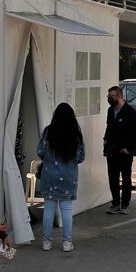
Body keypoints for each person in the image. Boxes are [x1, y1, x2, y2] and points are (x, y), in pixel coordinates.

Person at [38, 102, 85, 252]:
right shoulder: (76, 135)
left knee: (49, 209)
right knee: (66, 210)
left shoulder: (47, 132)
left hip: (49, 175)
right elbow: (81, 156)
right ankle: (66, 243)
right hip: (68, 177)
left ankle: (46, 242)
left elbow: (40, 152)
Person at [103, 86, 136, 215]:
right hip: (111, 150)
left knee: (126, 177)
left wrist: (130, 148)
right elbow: (109, 127)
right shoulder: (110, 110)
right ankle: (115, 203)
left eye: (111, 96)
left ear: (119, 96)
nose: (109, 99)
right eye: (108, 96)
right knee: (112, 177)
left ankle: (125, 204)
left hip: (124, 151)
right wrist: (106, 141)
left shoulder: (131, 112)